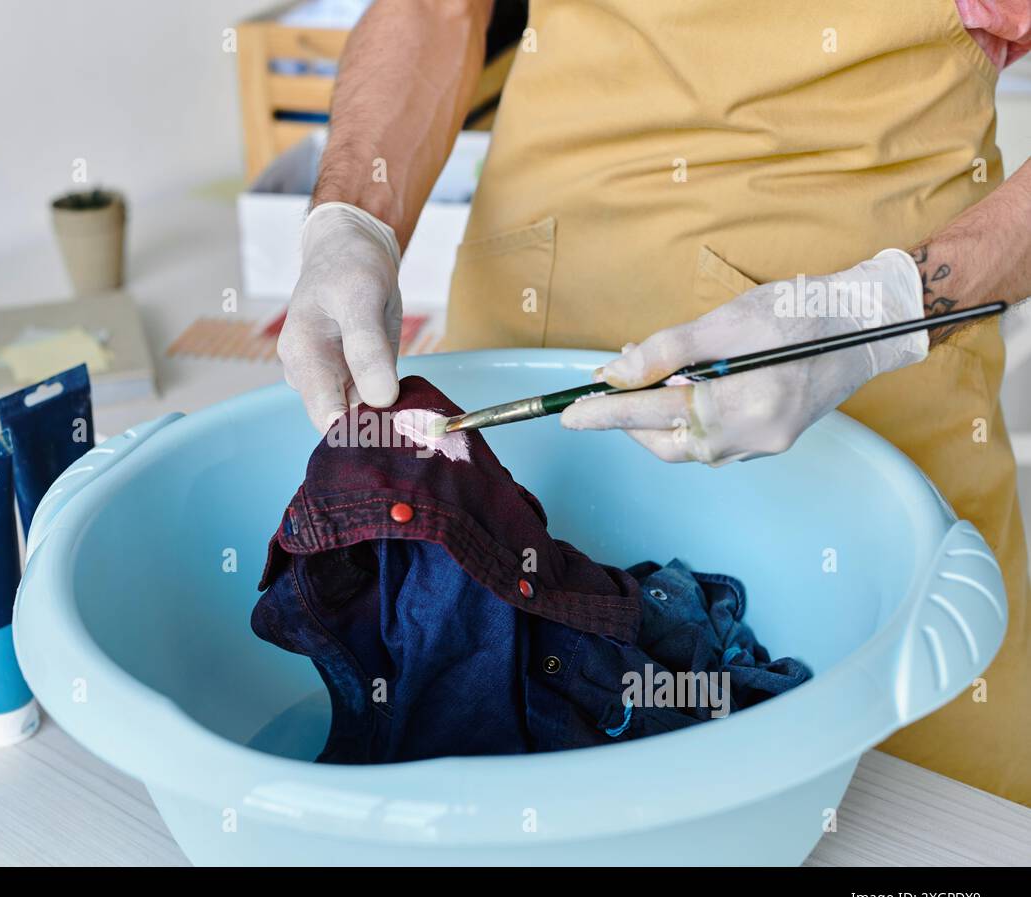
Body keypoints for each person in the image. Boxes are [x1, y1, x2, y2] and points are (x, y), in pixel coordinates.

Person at [275, 0, 1031, 804]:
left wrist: (887, 309)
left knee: (925, 820)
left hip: (874, 364)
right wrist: (352, 219)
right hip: (535, 303)